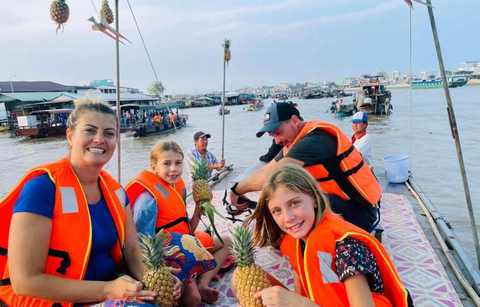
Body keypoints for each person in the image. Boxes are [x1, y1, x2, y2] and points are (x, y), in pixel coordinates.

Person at [0, 97, 181, 306]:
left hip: (110, 286)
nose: (99, 139)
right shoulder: (43, 188)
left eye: (109, 133)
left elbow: (132, 249)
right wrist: (108, 290)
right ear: (70, 136)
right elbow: (25, 282)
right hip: (56, 300)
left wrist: (151, 279)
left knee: (176, 279)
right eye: (90, 130)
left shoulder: (116, 191)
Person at [234, 164, 412, 307]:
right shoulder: (295, 241)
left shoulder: (346, 248)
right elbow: (303, 292)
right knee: (238, 279)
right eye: (277, 211)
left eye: (294, 203)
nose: (288, 218)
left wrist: (301, 304)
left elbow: (303, 300)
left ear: (313, 198)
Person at [229, 102, 381, 232]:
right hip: (338, 202)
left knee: (288, 204)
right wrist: (238, 188)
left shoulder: (315, 140)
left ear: (294, 121)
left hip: (359, 213)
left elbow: (271, 176)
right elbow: (265, 169)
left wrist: (237, 190)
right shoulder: (294, 141)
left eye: (278, 133)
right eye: (273, 136)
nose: (277, 141)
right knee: (285, 200)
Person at [125, 140, 232, 306]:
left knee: (227, 242)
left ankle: (202, 283)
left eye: (178, 163)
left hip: (186, 244)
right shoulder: (147, 200)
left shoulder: (178, 187)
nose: (173, 169)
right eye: (166, 164)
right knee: (193, 300)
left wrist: (199, 206)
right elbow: (140, 245)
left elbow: (188, 229)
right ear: (154, 167)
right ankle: (196, 283)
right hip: (166, 255)